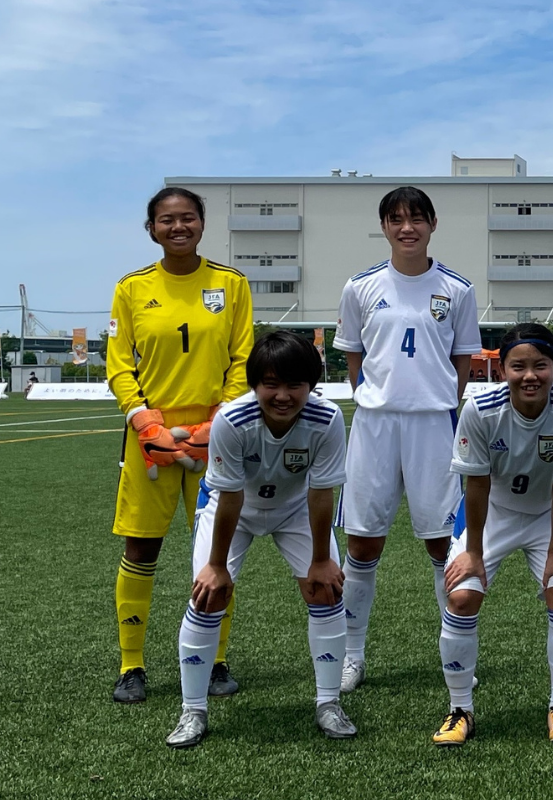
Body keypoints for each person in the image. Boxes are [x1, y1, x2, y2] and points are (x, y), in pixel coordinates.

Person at [165, 331, 354, 747]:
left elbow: (321, 492)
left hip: (295, 508)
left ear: (311, 385)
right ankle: (193, 710)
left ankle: (328, 703)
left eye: (295, 385)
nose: (283, 396)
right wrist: (216, 566)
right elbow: (231, 496)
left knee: (325, 590)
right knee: (208, 596)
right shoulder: (232, 420)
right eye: (271, 384)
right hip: (232, 509)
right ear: (254, 384)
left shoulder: (327, 419)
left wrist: (321, 560)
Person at [107, 187, 254, 703]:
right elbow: (119, 364)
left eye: (187, 218)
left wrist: (221, 420)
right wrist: (143, 421)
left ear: (202, 224)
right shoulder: (131, 288)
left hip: (215, 440)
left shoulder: (231, 284)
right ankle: (131, 665)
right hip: (150, 442)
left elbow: (243, 358)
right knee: (141, 547)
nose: (178, 227)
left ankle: (215, 660)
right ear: (151, 228)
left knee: (217, 550)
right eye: (166, 220)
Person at [333, 186, 482, 692]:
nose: (407, 228)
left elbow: (462, 359)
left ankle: (455, 655)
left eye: (416, 218)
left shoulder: (457, 289)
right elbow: (354, 356)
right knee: (362, 542)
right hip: (375, 425)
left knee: (443, 543)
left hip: (434, 424)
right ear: (384, 227)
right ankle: (352, 656)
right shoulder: (360, 286)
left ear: (433, 224)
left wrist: (437, 400)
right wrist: (377, 396)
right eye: (396, 219)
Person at [434, 325, 553, 746]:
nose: (530, 376)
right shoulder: (481, 410)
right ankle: (459, 709)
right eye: (518, 366)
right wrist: (472, 552)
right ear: (502, 369)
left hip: (547, 516)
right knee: (462, 596)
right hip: (492, 514)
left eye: (540, 366)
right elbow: (476, 483)